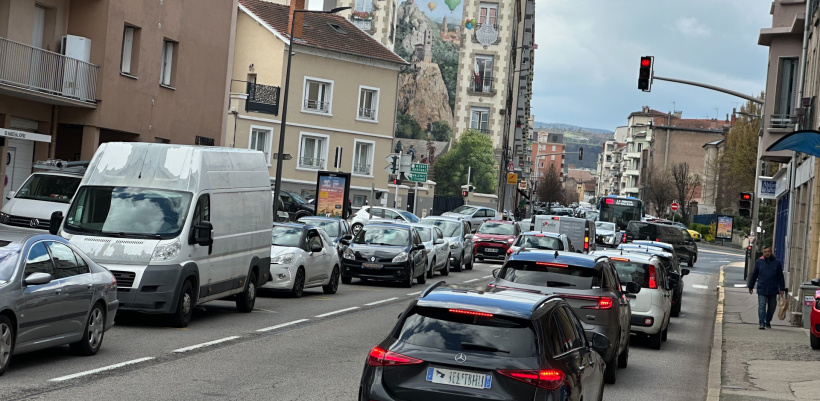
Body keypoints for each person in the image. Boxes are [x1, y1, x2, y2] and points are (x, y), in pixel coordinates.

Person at [748, 246, 786, 330]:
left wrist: (782, 288)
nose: (766, 253)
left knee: (772, 306)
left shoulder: (777, 263)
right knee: (761, 305)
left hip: (773, 288)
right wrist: (751, 286)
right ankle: (762, 322)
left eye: (768, 251)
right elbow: (754, 275)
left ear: (771, 252)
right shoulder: (759, 262)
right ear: (763, 253)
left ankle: (767, 320)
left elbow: (780, 276)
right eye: (765, 252)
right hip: (762, 288)